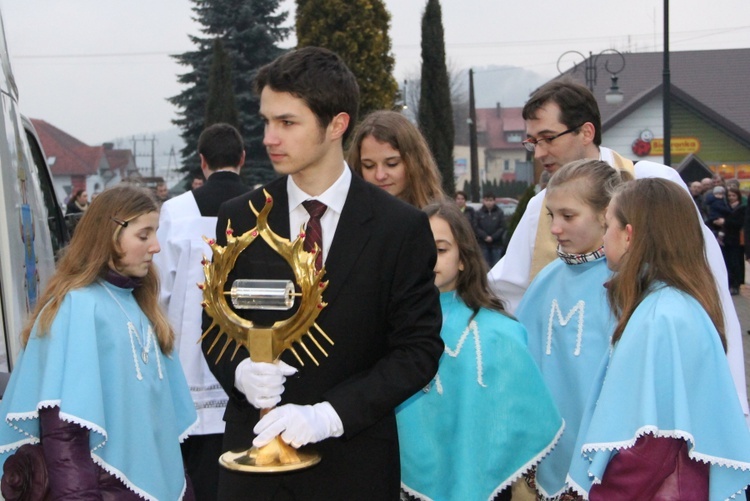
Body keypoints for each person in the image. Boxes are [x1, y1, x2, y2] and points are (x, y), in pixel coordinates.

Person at [201, 47, 443, 500]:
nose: (270, 137)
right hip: (251, 463)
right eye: (267, 121)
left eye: (287, 123)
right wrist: (239, 372)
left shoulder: (399, 228)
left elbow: (418, 349)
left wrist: (329, 415)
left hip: (353, 466)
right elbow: (214, 326)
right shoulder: (240, 214)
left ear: (336, 125)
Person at [487, 78, 749, 420]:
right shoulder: (540, 207)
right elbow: (507, 291)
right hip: (572, 392)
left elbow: (705, 281)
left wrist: (731, 400)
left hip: (650, 380)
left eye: (548, 138)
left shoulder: (653, 183)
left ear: (586, 132)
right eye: (532, 142)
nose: (539, 153)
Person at [0, 184, 197, 500]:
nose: (156, 247)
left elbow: (162, 436)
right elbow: (64, 434)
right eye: (144, 235)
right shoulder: (77, 307)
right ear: (110, 234)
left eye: (155, 234)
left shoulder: (142, 305)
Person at [568, 178, 750, 500]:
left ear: (629, 235)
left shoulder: (661, 316)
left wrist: (602, 494)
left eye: (607, 224)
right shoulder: (671, 304)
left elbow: (651, 444)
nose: (602, 234)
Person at [396, 201, 563, 501]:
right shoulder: (391, 328)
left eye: (442, 249)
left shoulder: (501, 332)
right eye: (420, 248)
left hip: (490, 484)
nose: (429, 258)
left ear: (463, 257)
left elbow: (525, 414)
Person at [515, 159, 632, 499]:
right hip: (547, 455)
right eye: (552, 216)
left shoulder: (628, 285)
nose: (555, 228)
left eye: (568, 216)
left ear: (605, 215)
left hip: (609, 458)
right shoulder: (546, 280)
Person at [154, 123, 250, 501]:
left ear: (202, 161)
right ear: (242, 159)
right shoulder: (262, 204)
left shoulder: (176, 211)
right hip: (246, 360)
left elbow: (159, 289)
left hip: (190, 359)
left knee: (195, 473)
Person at [347, 109, 445, 208]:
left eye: (392, 164)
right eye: (369, 166)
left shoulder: (437, 220)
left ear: (414, 163)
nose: (379, 176)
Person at [714, 185, 746, 295]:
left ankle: (736, 284)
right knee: (726, 262)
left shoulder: (742, 208)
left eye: (733, 195)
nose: (731, 197)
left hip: (736, 240)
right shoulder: (725, 207)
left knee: (735, 262)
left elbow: (740, 223)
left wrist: (725, 222)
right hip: (725, 239)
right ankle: (729, 283)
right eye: (729, 195)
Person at [474, 193, 506, 267]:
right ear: (483, 201)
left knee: (496, 266)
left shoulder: (499, 213)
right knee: (485, 266)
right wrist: (485, 236)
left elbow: (502, 227)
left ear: (494, 201)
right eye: (486, 200)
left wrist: (493, 237)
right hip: (483, 244)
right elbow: (476, 227)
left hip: (496, 245)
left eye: (491, 200)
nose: (488, 202)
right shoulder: (479, 213)